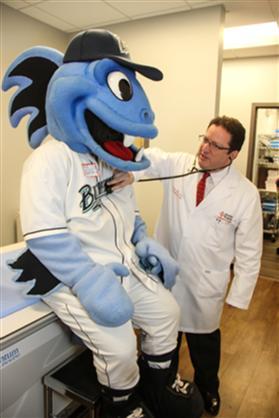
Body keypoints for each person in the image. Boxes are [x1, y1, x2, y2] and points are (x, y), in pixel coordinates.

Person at [3, 29, 204, 418]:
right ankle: (122, 407)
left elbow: (129, 213)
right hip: (70, 275)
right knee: (119, 348)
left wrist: (143, 241)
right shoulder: (49, 160)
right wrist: (91, 280)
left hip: (121, 264)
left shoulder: (110, 157)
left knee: (167, 312)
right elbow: (44, 236)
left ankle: (157, 388)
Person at [109, 115, 263, 416]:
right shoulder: (180, 165)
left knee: (204, 344)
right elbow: (149, 159)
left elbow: (249, 250)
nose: (204, 148)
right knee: (163, 337)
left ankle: (208, 387)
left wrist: (238, 295)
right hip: (166, 273)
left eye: (215, 145)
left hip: (205, 282)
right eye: (204, 139)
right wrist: (131, 172)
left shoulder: (245, 194)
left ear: (232, 155)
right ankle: (166, 385)